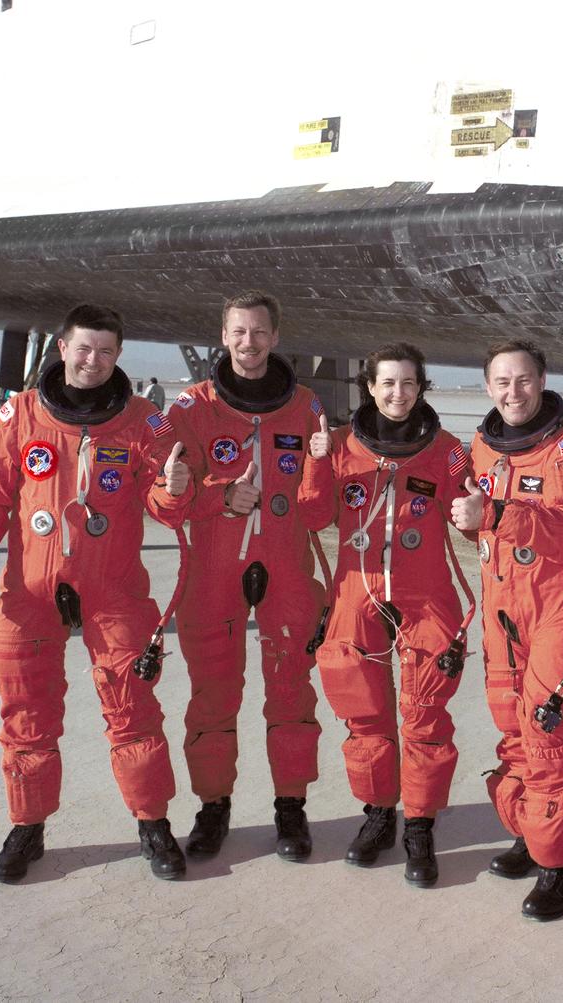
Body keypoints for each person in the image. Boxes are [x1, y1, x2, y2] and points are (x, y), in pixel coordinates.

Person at [0, 303, 194, 883]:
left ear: (119, 356)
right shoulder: (18, 417)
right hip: (27, 590)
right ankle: (27, 827)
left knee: (134, 709)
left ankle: (152, 823)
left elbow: (168, 504)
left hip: (112, 590)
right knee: (26, 714)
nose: (93, 361)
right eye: (83, 349)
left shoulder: (147, 421)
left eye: (106, 351)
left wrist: (176, 488)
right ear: (62, 348)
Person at [148, 290, 323, 862]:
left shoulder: (306, 408)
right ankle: (212, 807)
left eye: (260, 333)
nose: (250, 344)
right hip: (213, 572)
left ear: (276, 338)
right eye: (239, 333)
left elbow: (325, 500)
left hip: (288, 569)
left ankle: (290, 809)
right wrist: (217, 496)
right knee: (213, 697)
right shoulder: (191, 410)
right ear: (223, 337)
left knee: (292, 693)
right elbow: (164, 504)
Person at [297, 343, 473, 886]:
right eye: (387, 384)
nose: (398, 394)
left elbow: (468, 518)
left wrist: (475, 514)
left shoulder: (447, 450)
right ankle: (378, 814)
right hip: (356, 593)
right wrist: (317, 461)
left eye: (408, 384)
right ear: (369, 387)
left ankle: (419, 824)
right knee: (364, 717)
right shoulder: (342, 446)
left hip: (426, 596)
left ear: (422, 388)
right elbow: (312, 513)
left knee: (425, 718)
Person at [449, 340, 563, 920]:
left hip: (559, 605)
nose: (513, 392)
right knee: (511, 730)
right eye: (502, 382)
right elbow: (487, 526)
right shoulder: (484, 445)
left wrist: (491, 515)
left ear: (542, 381)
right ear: (488, 387)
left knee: (546, 730)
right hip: (503, 607)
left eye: (524, 381)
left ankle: (561, 867)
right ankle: (534, 833)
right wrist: (474, 522)